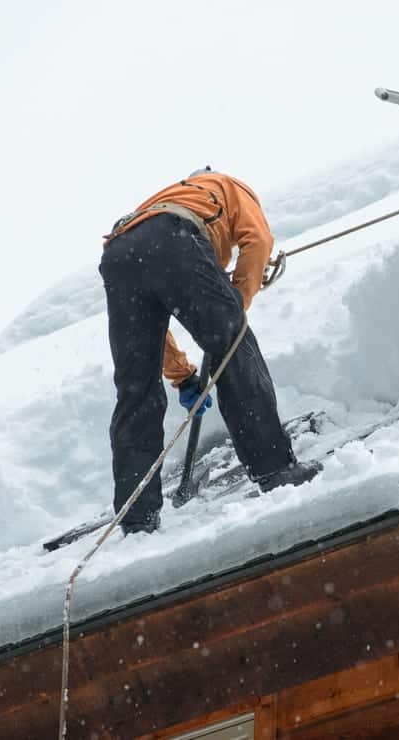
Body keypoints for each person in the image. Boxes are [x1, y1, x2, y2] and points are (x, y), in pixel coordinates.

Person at [100, 167, 321, 535]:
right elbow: (258, 241)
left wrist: (183, 377)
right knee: (233, 347)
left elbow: (155, 332)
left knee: (135, 389)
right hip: (173, 237)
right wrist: (235, 306)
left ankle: (137, 519)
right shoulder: (232, 187)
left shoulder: (162, 202)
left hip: (120, 255)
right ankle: (275, 469)